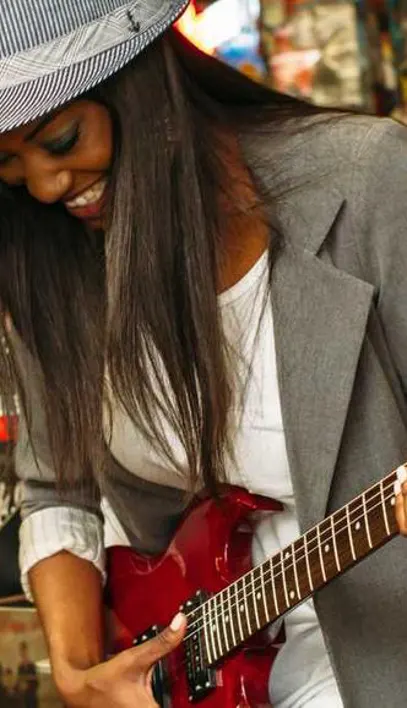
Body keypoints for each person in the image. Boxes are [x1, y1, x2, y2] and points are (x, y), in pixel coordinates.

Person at [0, 1, 406, 707]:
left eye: (62, 139)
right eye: (8, 165)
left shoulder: (367, 181)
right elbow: (57, 483)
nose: (44, 185)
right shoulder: (52, 259)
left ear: (146, 87)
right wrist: (81, 675)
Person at [16, 643, 38, 708]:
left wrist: (29, 679)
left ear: (27, 651)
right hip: (24, 695)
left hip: (31, 694)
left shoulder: (31, 665)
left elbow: (36, 680)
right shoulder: (20, 666)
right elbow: (19, 680)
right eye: (21, 651)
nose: (23, 653)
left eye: (24, 651)